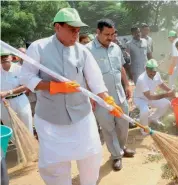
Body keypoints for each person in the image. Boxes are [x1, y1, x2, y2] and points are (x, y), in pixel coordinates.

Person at [20, 8, 123, 185]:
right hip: (51, 119)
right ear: (57, 27)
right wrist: (54, 86)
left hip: (81, 116)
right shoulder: (38, 47)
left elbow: (96, 80)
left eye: (78, 30)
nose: (76, 34)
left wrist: (107, 99)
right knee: (55, 166)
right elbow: (26, 77)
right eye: (72, 29)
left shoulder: (82, 51)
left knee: (91, 155)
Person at [86, 19, 135, 171]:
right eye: (107, 34)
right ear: (98, 32)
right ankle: (116, 156)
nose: (111, 37)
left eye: (113, 34)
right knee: (108, 128)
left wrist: (127, 84)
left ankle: (121, 147)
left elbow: (120, 67)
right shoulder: (87, 50)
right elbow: (85, 75)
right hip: (101, 99)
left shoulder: (116, 48)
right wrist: (90, 96)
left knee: (123, 124)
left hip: (119, 95)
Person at [133, 59, 175, 135]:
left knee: (166, 103)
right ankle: (144, 129)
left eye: (154, 71)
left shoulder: (157, 74)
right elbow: (150, 97)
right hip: (140, 99)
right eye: (151, 71)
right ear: (146, 69)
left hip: (150, 95)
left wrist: (170, 91)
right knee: (145, 110)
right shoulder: (142, 79)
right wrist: (166, 95)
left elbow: (161, 84)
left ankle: (153, 118)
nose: (153, 73)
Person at [0, 50, 33, 135]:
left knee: (27, 127)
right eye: (1, 57)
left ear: (11, 57)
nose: (4, 58)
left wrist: (8, 92)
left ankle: (29, 147)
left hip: (20, 100)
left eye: (6, 56)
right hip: (4, 103)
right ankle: (18, 147)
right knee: (9, 130)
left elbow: (26, 85)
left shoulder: (20, 69)